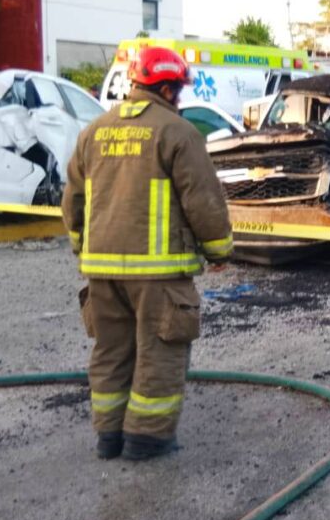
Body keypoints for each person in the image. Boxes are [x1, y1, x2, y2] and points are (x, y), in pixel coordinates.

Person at [62, 46, 233, 461]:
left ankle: (109, 436)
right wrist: (219, 249)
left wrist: (82, 245)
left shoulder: (94, 131)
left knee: (111, 351)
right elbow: (203, 200)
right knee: (160, 350)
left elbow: (73, 201)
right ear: (170, 88)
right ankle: (147, 438)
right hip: (159, 274)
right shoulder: (176, 132)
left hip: (101, 272)